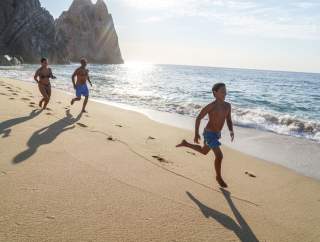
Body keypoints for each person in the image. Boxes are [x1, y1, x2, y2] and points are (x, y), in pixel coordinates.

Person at [176, 83, 234, 188]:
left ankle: (186, 144)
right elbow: (198, 118)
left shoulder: (227, 106)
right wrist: (196, 133)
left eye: (225, 91)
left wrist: (231, 130)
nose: (225, 93)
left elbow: (228, 119)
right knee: (219, 156)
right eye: (222, 91)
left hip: (217, 134)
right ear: (215, 93)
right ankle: (218, 177)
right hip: (209, 134)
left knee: (204, 151)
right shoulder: (211, 106)